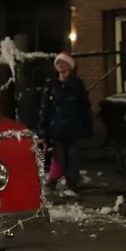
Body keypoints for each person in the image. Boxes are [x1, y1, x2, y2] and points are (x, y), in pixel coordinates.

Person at [38, 52, 93, 198]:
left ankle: (71, 184)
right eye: (58, 63)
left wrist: (86, 127)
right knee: (59, 156)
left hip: (73, 128)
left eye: (63, 63)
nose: (60, 66)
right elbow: (45, 108)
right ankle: (55, 181)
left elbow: (84, 107)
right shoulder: (51, 85)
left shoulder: (76, 84)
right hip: (56, 128)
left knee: (73, 157)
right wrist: (43, 130)